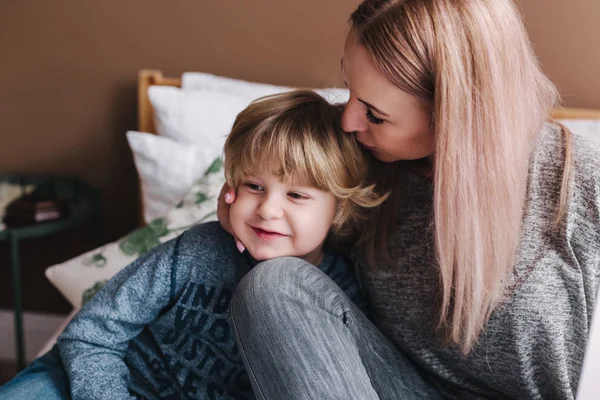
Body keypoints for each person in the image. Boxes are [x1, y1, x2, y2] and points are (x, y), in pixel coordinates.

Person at [220, 1, 600, 399]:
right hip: (398, 388)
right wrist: (247, 212)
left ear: (454, 114)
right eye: (349, 90)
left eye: (375, 115)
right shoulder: (358, 157)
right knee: (273, 288)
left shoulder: (581, 190)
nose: (348, 121)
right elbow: (304, 261)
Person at [0, 90, 387, 400]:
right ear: (229, 189)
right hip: (103, 382)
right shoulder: (197, 251)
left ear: (339, 209)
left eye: (297, 196)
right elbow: (91, 334)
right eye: (254, 186)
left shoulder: (342, 295)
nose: (268, 209)